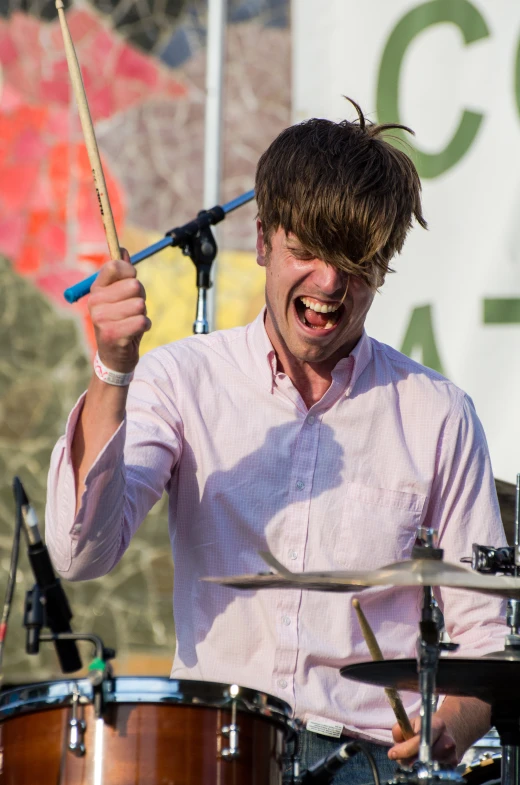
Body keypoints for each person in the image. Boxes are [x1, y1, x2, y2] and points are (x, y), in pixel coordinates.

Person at [46, 98, 507, 784]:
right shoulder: (183, 377)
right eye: (307, 251)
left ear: (383, 267)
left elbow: (487, 642)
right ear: (263, 240)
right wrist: (113, 367)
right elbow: (80, 551)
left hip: (372, 763)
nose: (328, 283)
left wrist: (450, 721)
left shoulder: (439, 413)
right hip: (215, 753)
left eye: (357, 261)